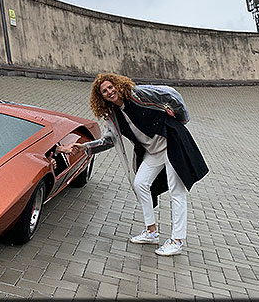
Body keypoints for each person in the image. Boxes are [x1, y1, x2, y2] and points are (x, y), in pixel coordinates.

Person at [65, 73, 209, 256]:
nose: (110, 92)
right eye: (104, 91)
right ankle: (151, 231)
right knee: (140, 184)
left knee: (177, 192)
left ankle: (177, 240)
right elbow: (109, 141)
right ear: (101, 97)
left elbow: (171, 94)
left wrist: (180, 118)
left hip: (172, 143)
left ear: (118, 85)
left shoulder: (138, 94)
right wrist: (84, 148)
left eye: (111, 87)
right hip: (153, 151)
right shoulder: (113, 115)